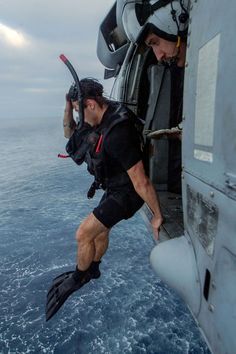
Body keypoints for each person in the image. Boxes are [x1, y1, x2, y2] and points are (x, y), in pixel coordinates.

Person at [45, 78, 163, 321]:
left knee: (84, 234)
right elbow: (68, 132)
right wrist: (68, 105)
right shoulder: (96, 117)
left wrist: (156, 216)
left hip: (128, 193)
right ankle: (94, 268)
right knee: (101, 231)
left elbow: (141, 182)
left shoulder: (118, 132)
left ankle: (78, 278)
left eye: (78, 110)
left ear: (90, 104)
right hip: (114, 187)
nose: (78, 116)